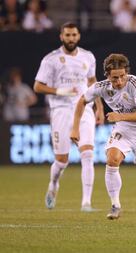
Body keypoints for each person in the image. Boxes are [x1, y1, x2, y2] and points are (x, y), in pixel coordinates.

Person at [70, 53, 136, 220]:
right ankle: (115, 205)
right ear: (107, 76)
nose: (118, 82)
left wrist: (120, 116)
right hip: (123, 130)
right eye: (114, 78)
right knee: (112, 158)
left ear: (127, 72)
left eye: (121, 76)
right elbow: (82, 101)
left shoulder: (135, 84)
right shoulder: (102, 87)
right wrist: (75, 128)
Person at [33, 22, 104, 211]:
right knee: (62, 160)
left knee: (88, 153)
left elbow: (92, 82)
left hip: (84, 108)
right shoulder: (51, 59)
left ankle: (86, 203)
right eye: (67, 35)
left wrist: (99, 107)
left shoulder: (88, 56)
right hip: (61, 110)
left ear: (78, 36)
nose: (71, 38)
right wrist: (60, 91)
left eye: (74, 35)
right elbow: (38, 86)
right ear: (61, 37)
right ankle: (53, 184)